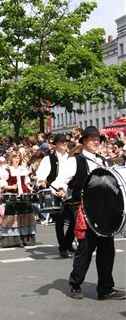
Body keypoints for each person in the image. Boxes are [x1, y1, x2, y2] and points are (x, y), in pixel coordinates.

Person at [53, 126, 125, 300]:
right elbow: (60, 180)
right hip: (86, 211)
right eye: (92, 138)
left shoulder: (103, 161)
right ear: (84, 141)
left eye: (97, 139)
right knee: (85, 250)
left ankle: (106, 288)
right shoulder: (75, 161)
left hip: (105, 212)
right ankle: (75, 284)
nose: (95, 141)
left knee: (107, 251)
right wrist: (60, 189)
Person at [36, 134, 76, 257]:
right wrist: (42, 181)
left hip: (70, 192)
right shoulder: (49, 159)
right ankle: (63, 247)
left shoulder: (72, 157)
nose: (64, 144)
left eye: (65, 142)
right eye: (62, 142)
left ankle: (68, 243)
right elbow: (41, 174)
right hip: (56, 192)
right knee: (59, 221)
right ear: (56, 144)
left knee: (74, 221)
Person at [0, 151, 36, 247]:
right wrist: (10, 187)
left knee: (25, 215)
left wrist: (30, 187)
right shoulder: (6, 169)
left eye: (18, 158)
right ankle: (15, 240)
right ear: (11, 159)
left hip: (24, 194)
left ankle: (25, 239)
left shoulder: (23, 169)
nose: (17, 160)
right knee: (13, 217)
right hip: (12, 195)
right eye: (15, 158)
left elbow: (26, 181)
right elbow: (2, 183)